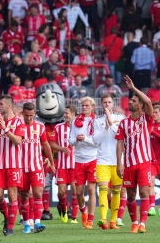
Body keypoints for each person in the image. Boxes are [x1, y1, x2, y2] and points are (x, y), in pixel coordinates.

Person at [116, 75, 153, 234]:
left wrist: (133, 88)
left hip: (144, 162)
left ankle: (143, 223)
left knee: (144, 192)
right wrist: (119, 163)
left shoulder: (147, 118)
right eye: (130, 101)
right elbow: (119, 143)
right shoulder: (124, 123)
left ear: (139, 105)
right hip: (129, 163)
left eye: (133, 101)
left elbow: (149, 102)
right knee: (131, 196)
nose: (130, 102)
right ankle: (134, 222)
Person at [0, 95, 24, 236]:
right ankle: (7, 217)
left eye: (1, 104)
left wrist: (5, 128)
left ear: (9, 106)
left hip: (13, 164)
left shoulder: (18, 122)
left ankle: (10, 228)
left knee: (13, 195)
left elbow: (18, 141)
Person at [17, 102, 55, 234]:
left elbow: (45, 145)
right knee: (24, 195)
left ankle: (38, 223)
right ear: (22, 114)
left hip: (37, 166)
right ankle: (27, 224)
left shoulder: (40, 126)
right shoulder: (18, 127)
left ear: (35, 114)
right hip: (21, 167)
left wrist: (52, 162)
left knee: (38, 193)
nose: (28, 118)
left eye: (31, 116)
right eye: (26, 115)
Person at [92, 94, 126, 229]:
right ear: (101, 104)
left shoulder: (121, 119)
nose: (107, 104)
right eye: (105, 102)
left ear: (112, 104)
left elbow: (121, 135)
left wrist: (111, 123)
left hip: (118, 161)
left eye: (109, 102)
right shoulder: (97, 121)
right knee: (103, 189)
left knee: (117, 191)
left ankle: (113, 222)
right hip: (103, 160)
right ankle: (103, 219)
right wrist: (105, 128)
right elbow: (95, 141)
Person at [68, 96, 98, 229]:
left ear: (92, 107)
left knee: (91, 190)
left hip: (92, 159)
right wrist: (77, 140)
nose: (84, 108)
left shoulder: (96, 122)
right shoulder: (75, 121)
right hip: (78, 160)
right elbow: (70, 141)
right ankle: (83, 210)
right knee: (79, 192)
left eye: (87, 106)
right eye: (83, 105)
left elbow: (97, 142)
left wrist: (85, 138)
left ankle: (90, 219)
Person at [50, 105, 79, 224]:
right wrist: (61, 148)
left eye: (67, 113)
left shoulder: (79, 128)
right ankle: (63, 208)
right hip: (62, 165)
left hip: (76, 164)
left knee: (75, 191)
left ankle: (74, 217)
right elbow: (51, 143)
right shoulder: (58, 127)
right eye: (64, 113)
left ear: (73, 114)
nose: (65, 115)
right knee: (61, 192)